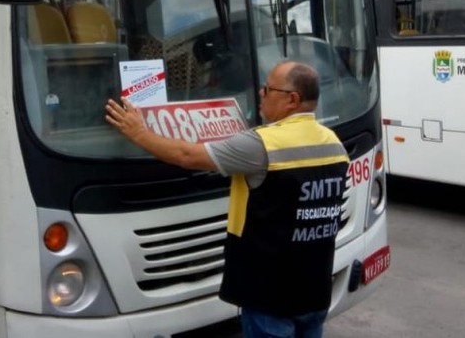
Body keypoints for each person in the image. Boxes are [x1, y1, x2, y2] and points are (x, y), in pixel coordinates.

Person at [105, 61, 348, 338]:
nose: (260, 93)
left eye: (268, 89)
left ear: (292, 100)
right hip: (314, 292)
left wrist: (138, 132)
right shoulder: (333, 142)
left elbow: (186, 156)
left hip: (270, 295)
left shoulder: (261, 145)